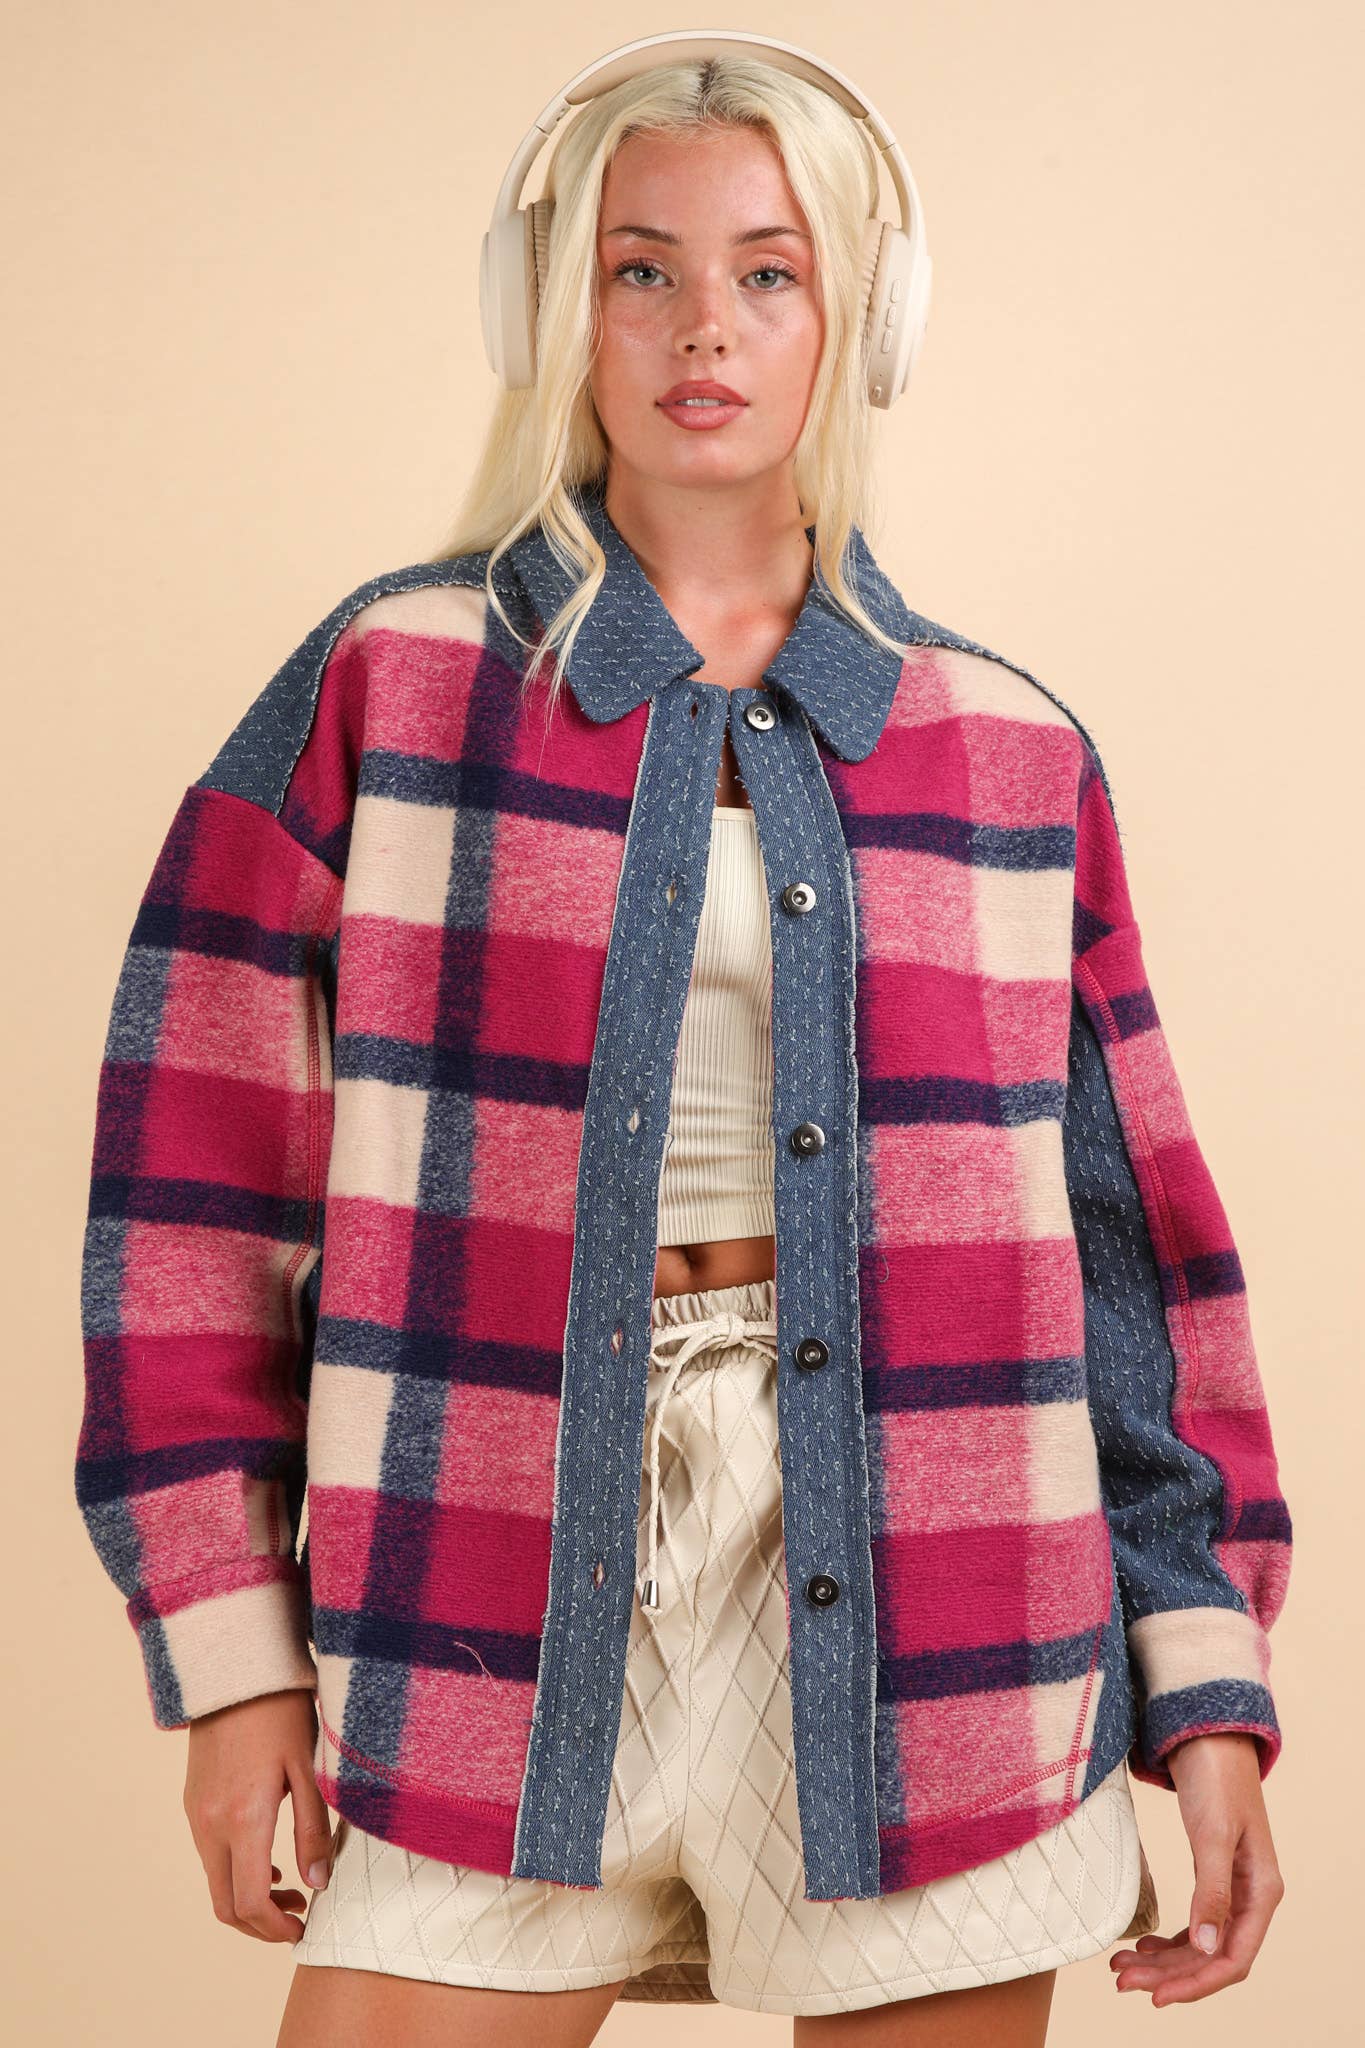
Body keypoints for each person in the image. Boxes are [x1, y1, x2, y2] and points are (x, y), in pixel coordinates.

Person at [75, 33, 1291, 2046]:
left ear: (860, 325)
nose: (699, 327)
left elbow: (1123, 1268)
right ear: (551, 310)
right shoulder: (390, 686)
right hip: (476, 1583)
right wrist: (236, 1662)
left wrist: (1203, 1684)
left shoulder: (1006, 751)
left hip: (949, 1616)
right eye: (639, 270)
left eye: (767, 272)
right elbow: (191, 1203)